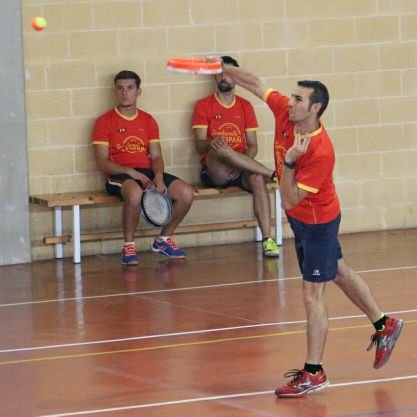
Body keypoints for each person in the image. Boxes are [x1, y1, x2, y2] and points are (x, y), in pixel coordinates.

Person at [221, 62, 404, 397]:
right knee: (339, 272)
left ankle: (314, 373)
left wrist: (289, 162)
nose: (289, 102)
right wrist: (225, 70)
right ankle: (384, 323)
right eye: (291, 97)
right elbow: (256, 80)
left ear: (315, 108)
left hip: (317, 222)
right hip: (304, 219)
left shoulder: (320, 151)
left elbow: (288, 201)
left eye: (297, 99)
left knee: (312, 295)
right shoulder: (283, 112)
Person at [92, 70, 194, 265]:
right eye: (120, 88)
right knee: (135, 194)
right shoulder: (104, 122)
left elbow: (156, 156)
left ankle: (163, 240)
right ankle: (129, 246)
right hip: (119, 174)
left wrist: (158, 176)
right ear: (115, 91)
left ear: (138, 91)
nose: (124, 93)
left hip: (146, 172)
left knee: (186, 193)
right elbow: (102, 162)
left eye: (129, 88)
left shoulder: (148, 121)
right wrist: (130, 172)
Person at [191, 56, 279, 257]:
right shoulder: (203, 105)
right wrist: (215, 144)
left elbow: (253, 146)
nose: (224, 77)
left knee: (257, 179)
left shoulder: (245, 106)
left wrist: (239, 162)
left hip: (241, 168)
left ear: (237, 78)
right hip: (215, 169)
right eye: (220, 72)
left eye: (229, 73)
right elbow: (199, 145)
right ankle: (271, 173)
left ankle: (268, 239)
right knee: (220, 147)